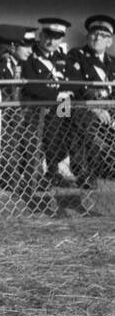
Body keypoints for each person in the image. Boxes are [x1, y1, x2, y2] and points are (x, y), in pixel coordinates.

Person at [21, 17, 74, 185]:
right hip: (38, 106)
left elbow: (70, 83)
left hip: (62, 104)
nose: (51, 41)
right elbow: (30, 85)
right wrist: (56, 95)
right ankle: (39, 174)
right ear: (41, 35)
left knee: (62, 133)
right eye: (48, 36)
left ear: (62, 39)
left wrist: (64, 95)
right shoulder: (30, 55)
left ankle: (56, 170)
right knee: (41, 137)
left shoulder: (62, 58)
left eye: (56, 38)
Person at [65, 14, 115, 187]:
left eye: (103, 35)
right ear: (88, 37)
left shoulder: (112, 63)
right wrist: (96, 108)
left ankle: (108, 169)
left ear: (110, 41)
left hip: (109, 110)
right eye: (94, 34)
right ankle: (86, 174)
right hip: (80, 107)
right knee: (85, 123)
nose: (98, 38)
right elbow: (76, 87)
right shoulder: (76, 55)